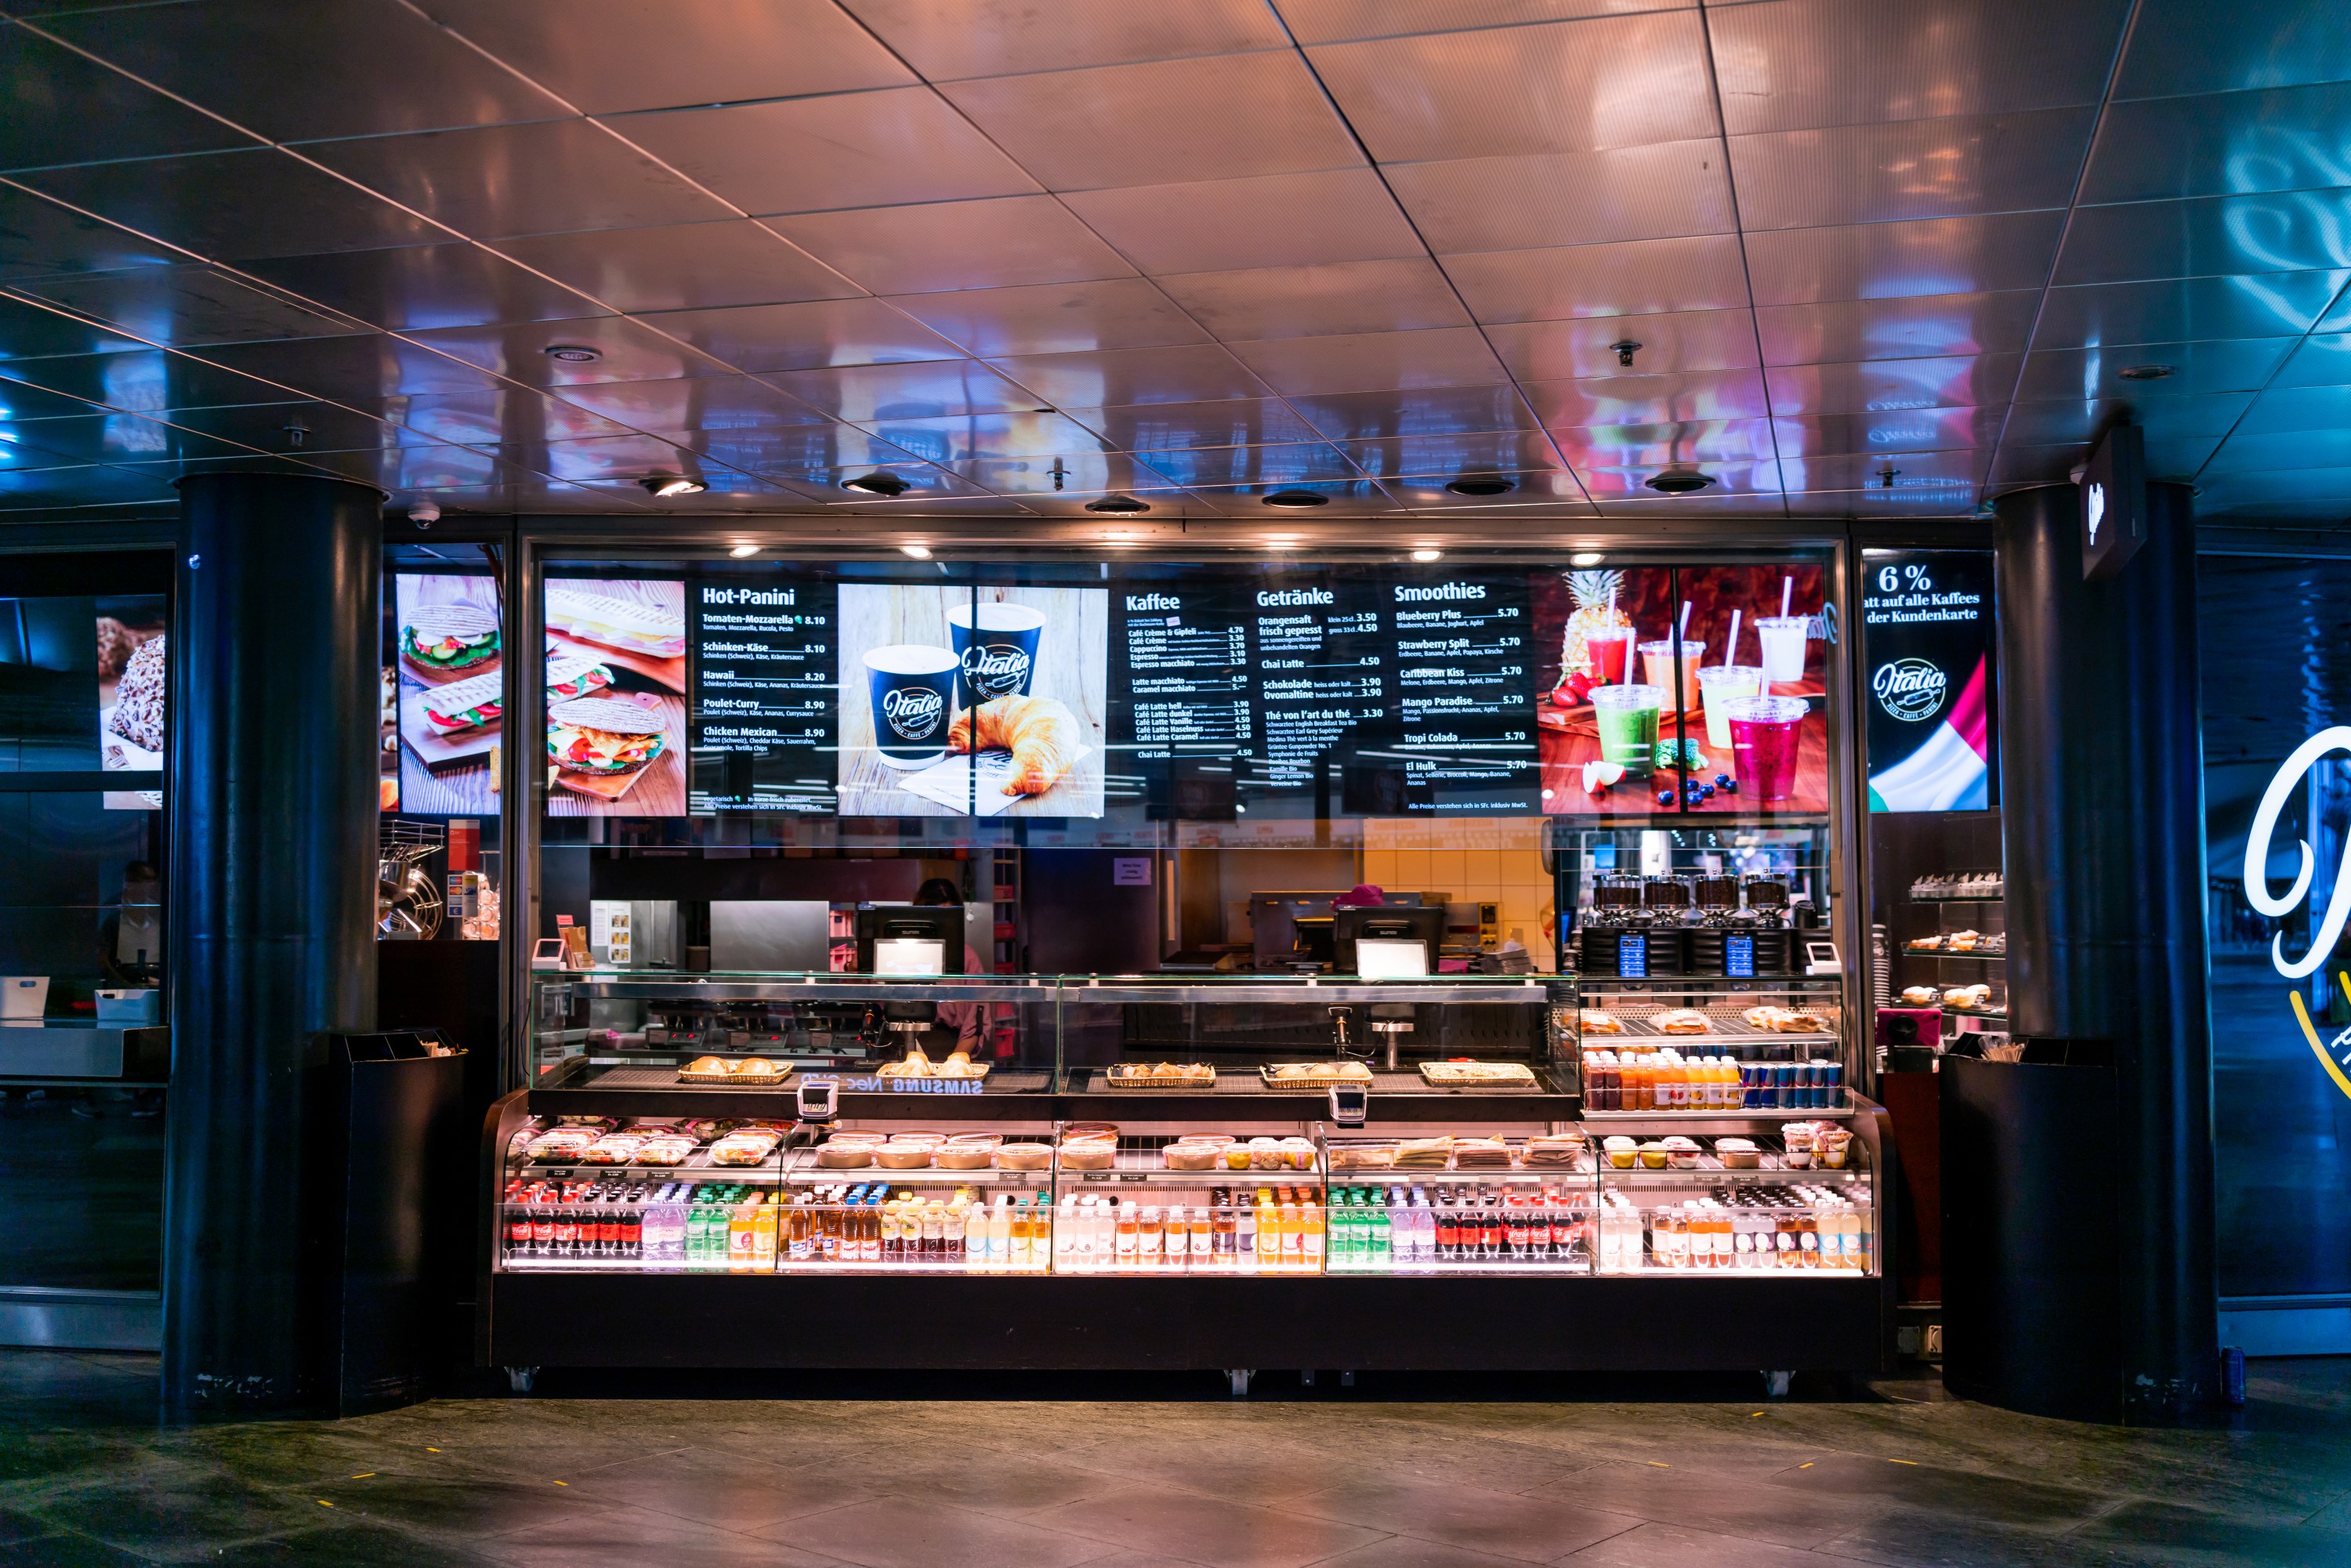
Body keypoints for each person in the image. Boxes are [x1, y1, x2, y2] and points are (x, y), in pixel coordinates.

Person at [912, 878, 989, 1056]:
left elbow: (976, 1021)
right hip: (897, 1041)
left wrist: (955, 1062)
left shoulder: (966, 956)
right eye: (936, 915)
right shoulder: (897, 951)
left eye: (948, 916)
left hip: (948, 1045)